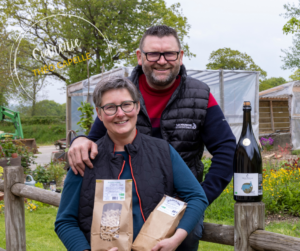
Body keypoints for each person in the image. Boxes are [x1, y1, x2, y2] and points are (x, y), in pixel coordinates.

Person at [68, 25, 236, 250]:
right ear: (140, 57)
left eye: (169, 53)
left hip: (179, 204)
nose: (162, 60)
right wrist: (79, 139)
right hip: (124, 201)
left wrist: (200, 197)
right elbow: (96, 139)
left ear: (180, 56)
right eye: (153, 54)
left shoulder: (201, 95)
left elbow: (227, 148)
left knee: (183, 239)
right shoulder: (123, 95)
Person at [55, 77, 208, 251]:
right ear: (99, 113)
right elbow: (65, 221)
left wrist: (176, 239)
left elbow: (197, 197)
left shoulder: (162, 152)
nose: (120, 113)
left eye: (126, 104)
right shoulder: (85, 158)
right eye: (110, 107)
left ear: (137, 107)